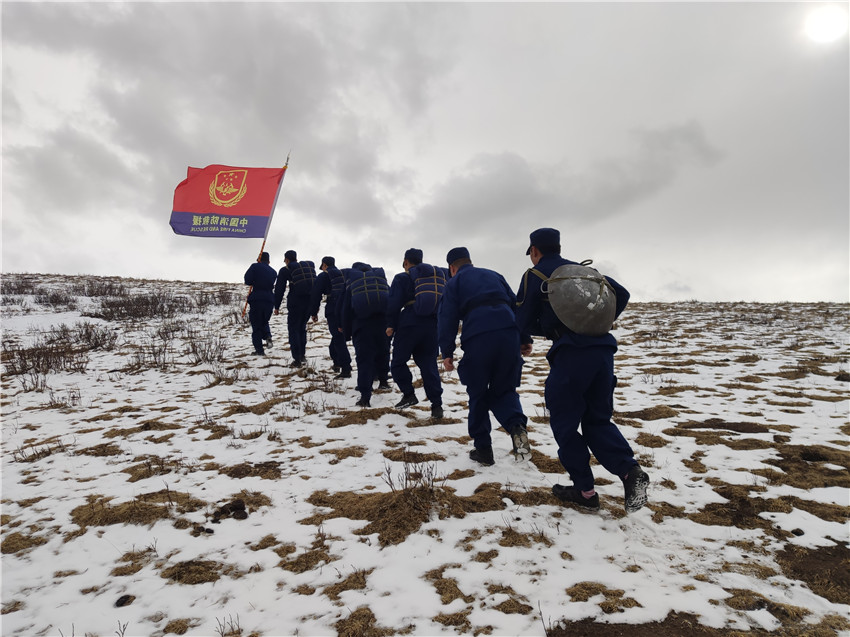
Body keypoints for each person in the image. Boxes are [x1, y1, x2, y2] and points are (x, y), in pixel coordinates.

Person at [514, 227, 649, 513]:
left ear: (534, 251)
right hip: (603, 354)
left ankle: (585, 492)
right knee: (597, 421)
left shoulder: (535, 276)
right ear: (559, 247)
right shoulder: (584, 272)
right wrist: (599, 319)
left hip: (570, 356)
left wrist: (524, 340)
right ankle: (630, 472)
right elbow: (621, 293)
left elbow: (521, 319)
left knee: (565, 424)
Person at [438, 247, 530, 466]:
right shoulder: (494, 275)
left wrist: (447, 352)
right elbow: (516, 304)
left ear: (452, 268)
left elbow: (447, 318)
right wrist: (524, 337)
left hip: (479, 337)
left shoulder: (453, 283)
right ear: (470, 261)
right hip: (509, 334)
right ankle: (516, 426)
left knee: (478, 392)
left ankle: (483, 449)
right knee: (505, 389)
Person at [386, 248, 444, 419]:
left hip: (409, 323)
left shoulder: (402, 277)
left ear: (406, 262)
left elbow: (394, 303)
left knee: (398, 362)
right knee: (429, 365)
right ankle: (437, 405)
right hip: (432, 325)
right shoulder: (432, 279)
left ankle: (408, 394)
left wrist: (391, 324)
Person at [340, 262, 391, 407]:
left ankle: (365, 396)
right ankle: (383, 381)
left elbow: (345, 309)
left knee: (364, 360)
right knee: (383, 353)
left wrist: (347, 332)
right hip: (383, 324)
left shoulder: (353, 283)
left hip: (362, 326)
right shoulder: (380, 281)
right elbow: (392, 300)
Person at [309, 256, 352, 378]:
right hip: (347, 308)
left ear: (324, 265)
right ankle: (337, 362)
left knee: (338, 338)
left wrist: (314, 312)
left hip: (333, 308)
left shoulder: (323, 276)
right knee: (338, 336)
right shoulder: (343, 274)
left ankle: (346, 368)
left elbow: (316, 294)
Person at [274, 250, 316, 368]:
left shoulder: (285, 270)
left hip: (295, 303)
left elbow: (279, 289)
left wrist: (276, 306)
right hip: (308, 302)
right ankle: (302, 355)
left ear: (287, 259)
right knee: (302, 328)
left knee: (294, 330)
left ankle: (296, 359)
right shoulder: (305, 269)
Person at [243, 252, 277, 356]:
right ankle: (267, 336)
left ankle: (259, 350)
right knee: (264, 321)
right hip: (269, 300)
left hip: (257, 299)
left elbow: (247, 280)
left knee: (256, 325)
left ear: (259, 259)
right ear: (269, 261)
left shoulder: (255, 266)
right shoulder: (273, 272)